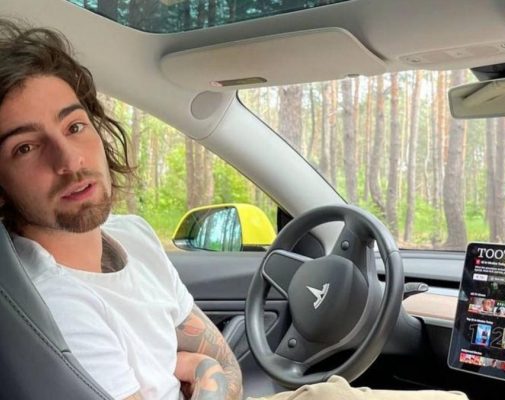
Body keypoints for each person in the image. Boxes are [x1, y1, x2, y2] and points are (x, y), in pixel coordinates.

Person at [0, 19, 467, 400]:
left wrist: (202, 367)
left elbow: (224, 362)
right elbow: (214, 368)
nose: (69, 161)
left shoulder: (133, 235)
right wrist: (198, 368)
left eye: (75, 126)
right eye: (25, 148)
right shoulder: (54, 303)